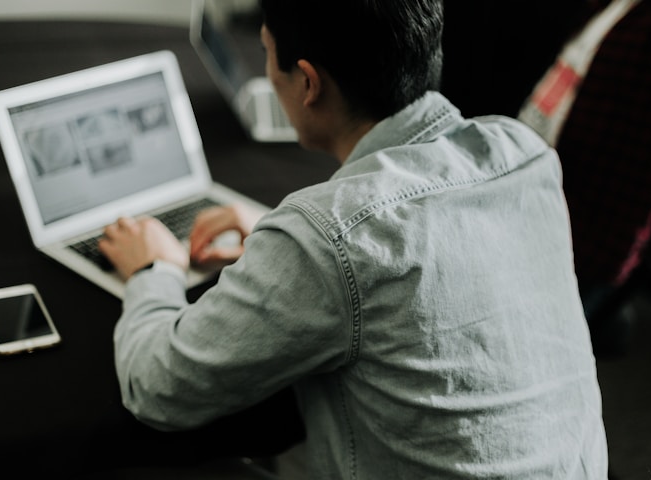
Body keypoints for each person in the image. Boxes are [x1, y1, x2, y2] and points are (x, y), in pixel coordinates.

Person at [98, 0, 608, 478]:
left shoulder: (328, 238)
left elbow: (158, 388)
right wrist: (282, 241)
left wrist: (154, 270)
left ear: (309, 84)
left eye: (268, 55)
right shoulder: (523, 153)